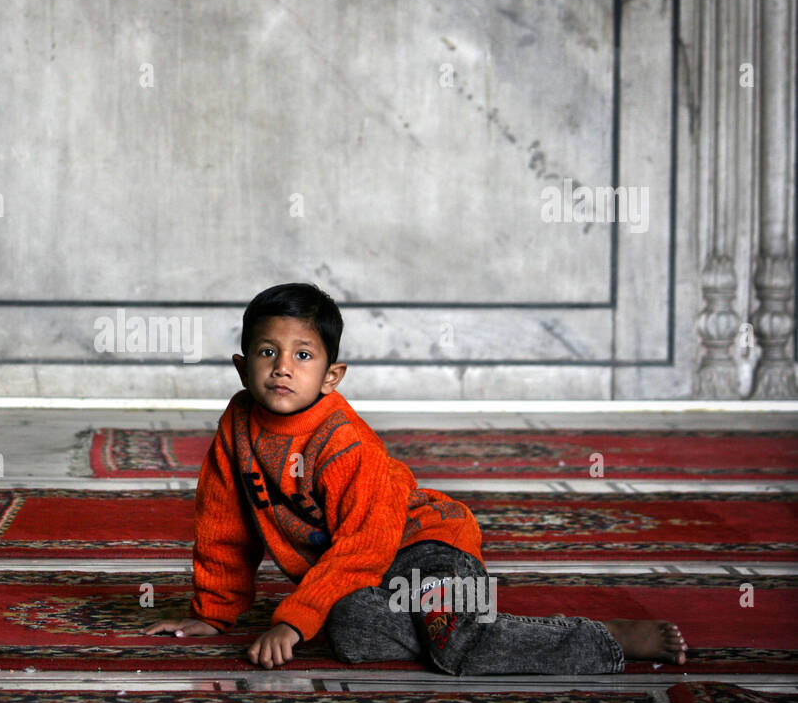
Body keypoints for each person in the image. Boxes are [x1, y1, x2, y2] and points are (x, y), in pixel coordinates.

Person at [146, 282, 688, 673]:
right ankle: (447, 622)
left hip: (424, 546)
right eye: (268, 352)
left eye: (302, 355)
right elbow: (223, 525)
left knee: (457, 650)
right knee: (350, 632)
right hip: (362, 576)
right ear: (242, 367)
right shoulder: (237, 426)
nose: (282, 367)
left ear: (331, 376)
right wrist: (213, 614)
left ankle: (602, 639)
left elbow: (367, 542)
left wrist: (292, 619)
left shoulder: (344, 441)